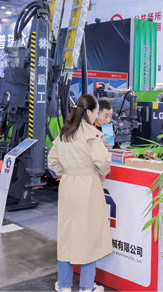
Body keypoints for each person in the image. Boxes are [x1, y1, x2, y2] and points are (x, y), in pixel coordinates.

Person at [48, 94, 111, 292]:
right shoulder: (92, 134)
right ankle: (86, 286)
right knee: (88, 236)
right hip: (87, 187)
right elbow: (103, 162)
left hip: (68, 186)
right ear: (89, 112)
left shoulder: (65, 133)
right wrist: (101, 170)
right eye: (96, 112)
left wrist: (66, 172)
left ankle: (64, 285)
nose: (97, 116)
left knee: (67, 235)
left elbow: (52, 161)